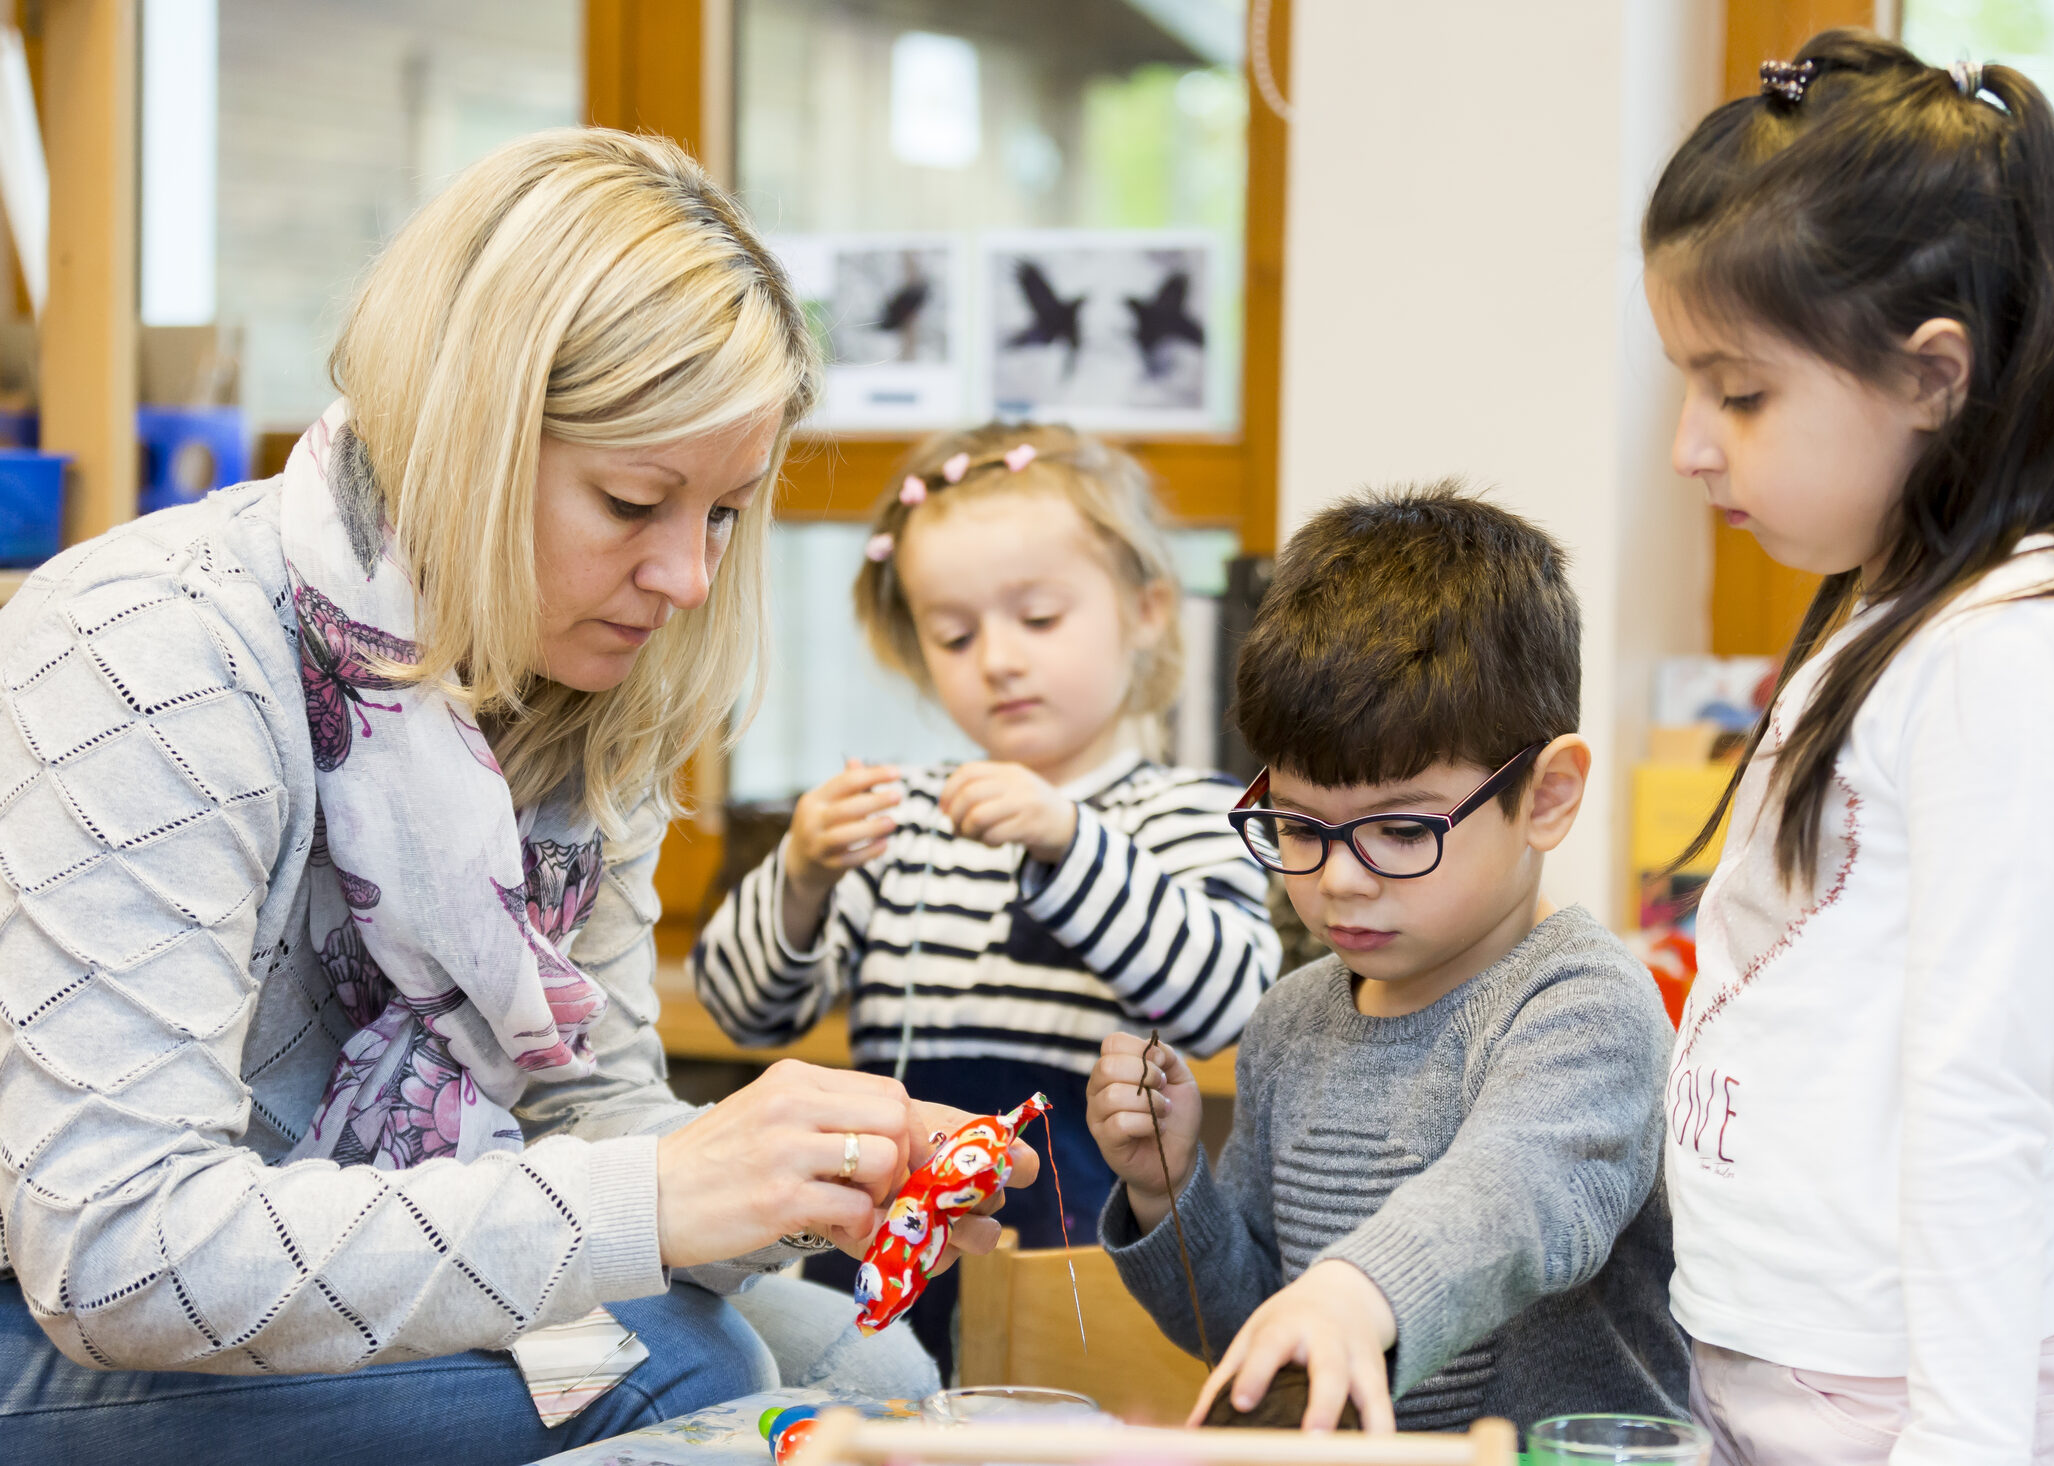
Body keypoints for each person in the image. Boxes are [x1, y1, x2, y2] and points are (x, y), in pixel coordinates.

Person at [0, 130, 1031, 1466]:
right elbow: (117, 1255)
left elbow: (585, 1112)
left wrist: (804, 1177)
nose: (688, 578)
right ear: (464, 437)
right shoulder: (152, 651)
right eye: (633, 499)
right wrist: (666, 1192)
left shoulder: (572, 678)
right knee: (687, 1368)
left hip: (298, 1249)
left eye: (722, 513)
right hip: (59, 1302)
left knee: (870, 1362)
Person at [1642, 31, 2054, 1465]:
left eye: (1737, 392)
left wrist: (1958, 1439)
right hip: (1796, 1360)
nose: (1689, 448)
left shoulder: (2003, 656)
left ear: (1930, 376)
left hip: (1919, 1401)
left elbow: (1968, 1099)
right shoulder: (1897, 609)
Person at [1087, 485, 1688, 1433]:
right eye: (1299, 825)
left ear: (1546, 795)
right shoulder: (1291, 1022)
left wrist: (1351, 1292)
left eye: (1401, 830)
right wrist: (1164, 1190)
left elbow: (1513, 1194)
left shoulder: (1581, 1006)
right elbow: (1254, 1336)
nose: (1339, 881)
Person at [691, 422, 1281, 1368]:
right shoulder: (904, 814)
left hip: (1085, 1253)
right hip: (890, 1246)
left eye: (1039, 619)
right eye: (955, 634)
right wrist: (801, 877)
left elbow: (1225, 1006)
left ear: (1147, 610)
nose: (998, 659)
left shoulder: (1182, 810)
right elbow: (750, 1010)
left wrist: (1069, 840)